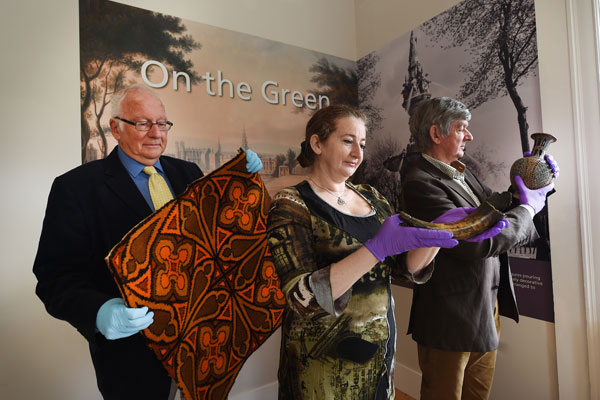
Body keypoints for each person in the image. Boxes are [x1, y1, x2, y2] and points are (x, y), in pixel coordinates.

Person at [33, 84, 263, 399]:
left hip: (205, 345)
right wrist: (99, 312)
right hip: (134, 360)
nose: (156, 133)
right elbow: (54, 278)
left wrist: (241, 179)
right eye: (143, 123)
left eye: (162, 123)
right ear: (116, 127)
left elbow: (220, 237)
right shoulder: (76, 188)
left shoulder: (189, 172)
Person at [266, 104, 506, 400]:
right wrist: (376, 247)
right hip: (321, 367)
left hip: (378, 358)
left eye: (362, 144)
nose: (358, 153)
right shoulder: (292, 204)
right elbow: (301, 298)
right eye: (347, 141)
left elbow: (403, 267)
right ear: (317, 143)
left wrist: (439, 232)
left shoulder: (371, 197)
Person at [401, 97, 559, 400]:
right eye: (462, 128)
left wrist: (534, 186)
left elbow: (496, 208)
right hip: (449, 320)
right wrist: (527, 210)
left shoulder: (462, 171)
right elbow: (477, 243)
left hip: (486, 311)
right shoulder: (419, 183)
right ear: (436, 134)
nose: (469, 136)